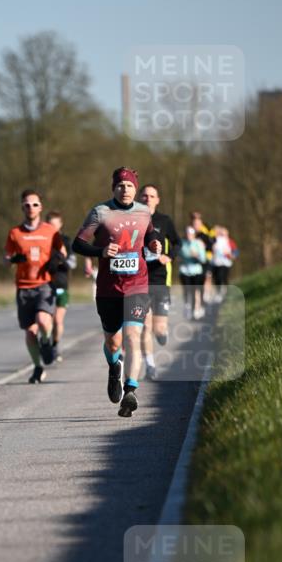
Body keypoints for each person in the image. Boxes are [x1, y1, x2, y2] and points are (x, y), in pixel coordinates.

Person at [72, 167, 162, 417]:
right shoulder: (101, 212)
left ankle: (131, 389)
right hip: (108, 289)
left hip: (137, 285)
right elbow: (77, 243)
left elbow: (150, 235)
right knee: (113, 342)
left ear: (136, 189)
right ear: (113, 188)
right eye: (121, 186)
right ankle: (114, 367)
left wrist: (154, 243)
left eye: (130, 186)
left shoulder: (144, 212)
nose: (125, 190)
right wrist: (100, 252)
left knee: (133, 336)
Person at [4, 189, 64, 383]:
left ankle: (46, 342)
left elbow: (62, 252)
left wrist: (57, 260)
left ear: (41, 207)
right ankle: (38, 367)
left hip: (44, 284)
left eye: (35, 204)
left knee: (44, 321)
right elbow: (5, 259)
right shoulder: (15, 233)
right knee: (30, 333)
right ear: (22, 207)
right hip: (23, 288)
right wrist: (13, 259)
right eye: (27, 205)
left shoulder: (50, 231)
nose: (31, 208)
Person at [138, 184, 182, 380]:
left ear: (157, 200)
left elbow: (178, 243)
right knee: (145, 326)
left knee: (158, 329)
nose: (148, 199)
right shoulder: (133, 219)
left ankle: (161, 332)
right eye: (145, 196)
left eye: (152, 196)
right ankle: (150, 365)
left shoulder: (164, 221)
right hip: (139, 279)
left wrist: (168, 256)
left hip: (159, 279)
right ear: (140, 198)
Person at [45, 210, 76, 362]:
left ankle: (55, 345)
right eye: (49, 225)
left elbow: (72, 263)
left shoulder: (66, 241)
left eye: (55, 226)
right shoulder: (42, 239)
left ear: (60, 225)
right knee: (46, 320)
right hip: (44, 284)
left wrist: (61, 260)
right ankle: (46, 343)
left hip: (61, 284)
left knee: (58, 320)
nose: (52, 229)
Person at [179, 226, 207, 319]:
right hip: (184, 271)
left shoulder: (198, 243)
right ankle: (187, 306)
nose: (189, 236)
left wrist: (197, 255)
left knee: (195, 291)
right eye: (187, 234)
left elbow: (203, 259)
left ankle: (195, 310)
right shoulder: (182, 243)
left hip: (197, 271)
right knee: (187, 290)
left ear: (194, 235)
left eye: (191, 234)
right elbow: (178, 255)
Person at [211, 225, 236, 301]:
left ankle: (225, 292)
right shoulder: (212, 240)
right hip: (214, 262)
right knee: (216, 279)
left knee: (222, 277)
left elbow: (233, 251)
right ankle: (219, 293)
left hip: (224, 263)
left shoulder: (226, 240)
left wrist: (231, 254)